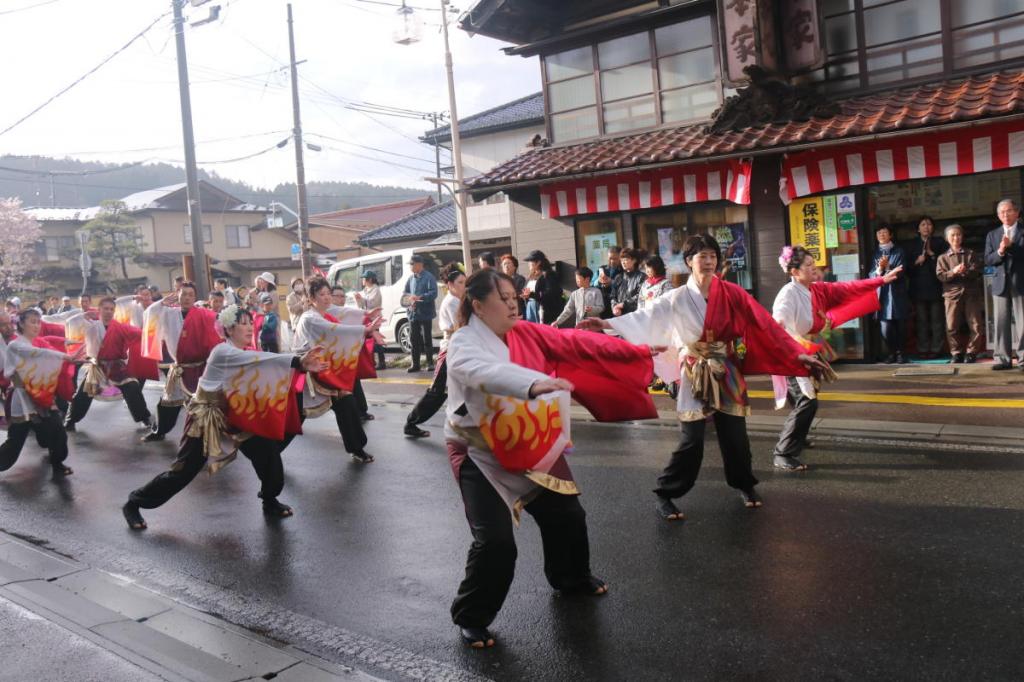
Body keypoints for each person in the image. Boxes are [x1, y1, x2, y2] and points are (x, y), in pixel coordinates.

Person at [446, 269, 657, 648]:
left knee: (567, 514)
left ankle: (570, 578)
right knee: (496, 542)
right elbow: (479, 372)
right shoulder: (463, 342)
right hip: (479, 449)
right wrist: (531, 383)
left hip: (526, 434)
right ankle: (471, 615)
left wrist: (635, 350)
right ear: (477, 306)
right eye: (503, 298)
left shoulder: (526, 331)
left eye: (514, 296)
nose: (513, 304)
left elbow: (575, 341)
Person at [579, 234, 824, 521]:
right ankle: (666, 493)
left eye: (712, 256)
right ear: (688, 261)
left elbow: (765, 324)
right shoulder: (677, 297)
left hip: (727, 368)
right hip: (695, 370)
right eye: (702, 256)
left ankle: (744, 484)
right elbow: (644, 316)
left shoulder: (732, 293)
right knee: (692, 439)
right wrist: (606, 323)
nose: (709, 261)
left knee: (735, 436)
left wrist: (797, 355)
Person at [122, 305, 326, 530]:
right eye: (243, 323)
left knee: (267, 454)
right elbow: (261, 359)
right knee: (183, 471)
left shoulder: (245, 350)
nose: (250, 328)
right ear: (228, 329)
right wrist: (298, 361)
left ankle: (270, 500)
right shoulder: (223, 351)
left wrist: (300, 365)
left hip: (235, 414)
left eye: (251, 323)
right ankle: (134, 503)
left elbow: (262, 370)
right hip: (206, 418)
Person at [770, 246, 902, 470]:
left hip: (808, 349)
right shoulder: (788, 294)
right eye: (808, 265)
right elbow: (779, 323)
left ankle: (797, 436)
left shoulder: (817, 289)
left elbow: (847, 288)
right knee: (807, 400)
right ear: (794, 272)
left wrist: (880, 280)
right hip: (791, 353)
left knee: (806, 398)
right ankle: (783, 452)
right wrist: (785, 331)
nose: (814, 268)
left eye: (814, 264)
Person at [291, 276, 378, 464]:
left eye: (328, 293)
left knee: (347, 403)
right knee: (296, 417)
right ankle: (272, 450)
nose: (327, 297)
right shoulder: (310, 318)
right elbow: (335, 330)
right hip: (308, 376)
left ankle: (356, 448)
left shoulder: (324, 313)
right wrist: (364, 330)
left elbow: (342, 313)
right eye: (321, 294)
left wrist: (366, 315)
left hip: (326, 372)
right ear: (311, 297)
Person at [0, 308, 82, 479]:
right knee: (15, 441)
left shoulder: (36, 342)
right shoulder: (16, 345)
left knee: (57, 429)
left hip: (41, 395)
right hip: (22, 398)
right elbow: (39, 353)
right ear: (21, 324)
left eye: (38, 322)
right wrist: (66, 357)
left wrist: (68, 352)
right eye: (32, 322)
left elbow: (49, 346)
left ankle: (57, 464)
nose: (37, 326)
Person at [59, 297, 154, 432]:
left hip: (117, 367)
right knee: (83, 394)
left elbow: (141, 334)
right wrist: (84, 316)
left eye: (111, 309)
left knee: (132, 387)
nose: (109, 311)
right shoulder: (90, 326)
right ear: (99, 310)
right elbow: (71, 323)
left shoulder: (120, 327)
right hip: (97, 367)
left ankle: (144, 418)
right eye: (105, 308)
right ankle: (70, 420)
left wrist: (153, 335)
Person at [141, 282, 221, 442]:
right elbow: (149, 314)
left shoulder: (204, 315)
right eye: (184, 294)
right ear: (178, 295)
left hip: (200, 369)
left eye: (190, 295)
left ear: (195, 297)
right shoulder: (169, 313)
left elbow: (219, 329)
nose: (187, 298)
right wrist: (161, 303)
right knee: (167, 403)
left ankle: (209, 436)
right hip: (179, 368)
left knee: (204, 405)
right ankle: (159, 431)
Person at [404, 265, 466, 438]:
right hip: (450, 350)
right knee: (437, 391)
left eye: (465, 282)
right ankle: (411, 423)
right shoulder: (451, 302)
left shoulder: (459, 300)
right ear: (450, 285)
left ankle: (464, 425)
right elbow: (461, 327)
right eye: (460, 282)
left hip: (460, 349)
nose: (464, 286)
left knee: (465, 388)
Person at [985, 198, 1024, 370]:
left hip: (1020, 282)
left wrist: (1011, 246)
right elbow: (988, 259)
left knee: (1023, 323)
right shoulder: (992, 235)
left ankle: (1023, 359)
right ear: (998, 215)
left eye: (1009, 211)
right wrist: (1000, 251)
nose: (1005, 215)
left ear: (1017, 212)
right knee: (1001, 322)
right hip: (1000, 282)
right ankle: (1002, 359)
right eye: (1002, 212)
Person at [937, 224, 985, 364]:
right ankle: (956, 352)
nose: (956, 238)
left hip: (971, 293)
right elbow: (941, 276)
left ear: (962, 237)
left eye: (958, 234)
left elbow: (978, 271)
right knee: (951, 325)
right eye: (952, 235)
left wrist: (966, 271)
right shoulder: (942, 257)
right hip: (951, 295)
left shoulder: (971, 253)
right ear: (947, 238)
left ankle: (971, 352)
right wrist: (953, 272)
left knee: (976, 324)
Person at [905, 216, 947, 358]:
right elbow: (906, 270)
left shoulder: (940, 243)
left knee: (937, 320)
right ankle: (923, 349)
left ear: (933, 228)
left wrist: (932, 255)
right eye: (923, 224)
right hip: (918, 288)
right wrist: (916, 262)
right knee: (921, 321)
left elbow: (946, 265)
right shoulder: (911, 245)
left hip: (936, 287)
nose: (926, 227)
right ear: (918, 229)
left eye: (929, 224)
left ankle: (936, 349)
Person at [872, 225, 910, 363]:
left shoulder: (899, 251)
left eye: (884, 232)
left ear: (890, 235)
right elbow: (871, 274)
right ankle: (891, 352)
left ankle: (900, 353)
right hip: (882, 293)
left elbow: (901, 270)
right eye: (879, 232)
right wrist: (879, 269)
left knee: (900, 325)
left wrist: (887, 267)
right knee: (885, 327)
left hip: (896, 292)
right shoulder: (875, 253)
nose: (881, 234)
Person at [403, 254, 437, 373]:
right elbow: (405, 293)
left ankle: (430, 363)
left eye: (412, 264)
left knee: (427, 339)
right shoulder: (410, 279)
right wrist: (409, 302)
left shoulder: (429, 277)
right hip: (413, 313)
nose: (410, 266)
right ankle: (415, 364)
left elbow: (433, 293)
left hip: (426, 312)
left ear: (419, 265)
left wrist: (420, 297)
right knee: (414, 339)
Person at [523, 250, 563, 324]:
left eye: (530, 261)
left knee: (541, 329)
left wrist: (532, 294)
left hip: (542, 308)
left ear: (538, 262)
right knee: (532, 329)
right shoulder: (531, 276)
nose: (528, 264)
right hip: (530, 306)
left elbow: (550, 293)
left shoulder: (549, 274)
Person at [356, 271, 386, 370]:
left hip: (375, 319)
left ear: (370, 279)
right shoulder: (365, 290)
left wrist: (361, 299)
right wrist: (358, 299)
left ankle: (382, 362)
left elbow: (372, 304)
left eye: (364, 278)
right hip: (367, 319)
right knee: (369, 341)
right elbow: (361, 306)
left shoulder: (376, 289)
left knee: (376, 340)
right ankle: (372, 362)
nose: (363, 280)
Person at [610, 248, 645, 316]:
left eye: (625, 259)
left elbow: (641, 295)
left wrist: (623, 304)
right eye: (621, 260)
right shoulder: (618, 277)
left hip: (635, 314)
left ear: (634, 260)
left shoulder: (641, 277)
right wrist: (614, 307)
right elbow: (613, 296)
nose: (623, 262)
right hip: (619, 314)